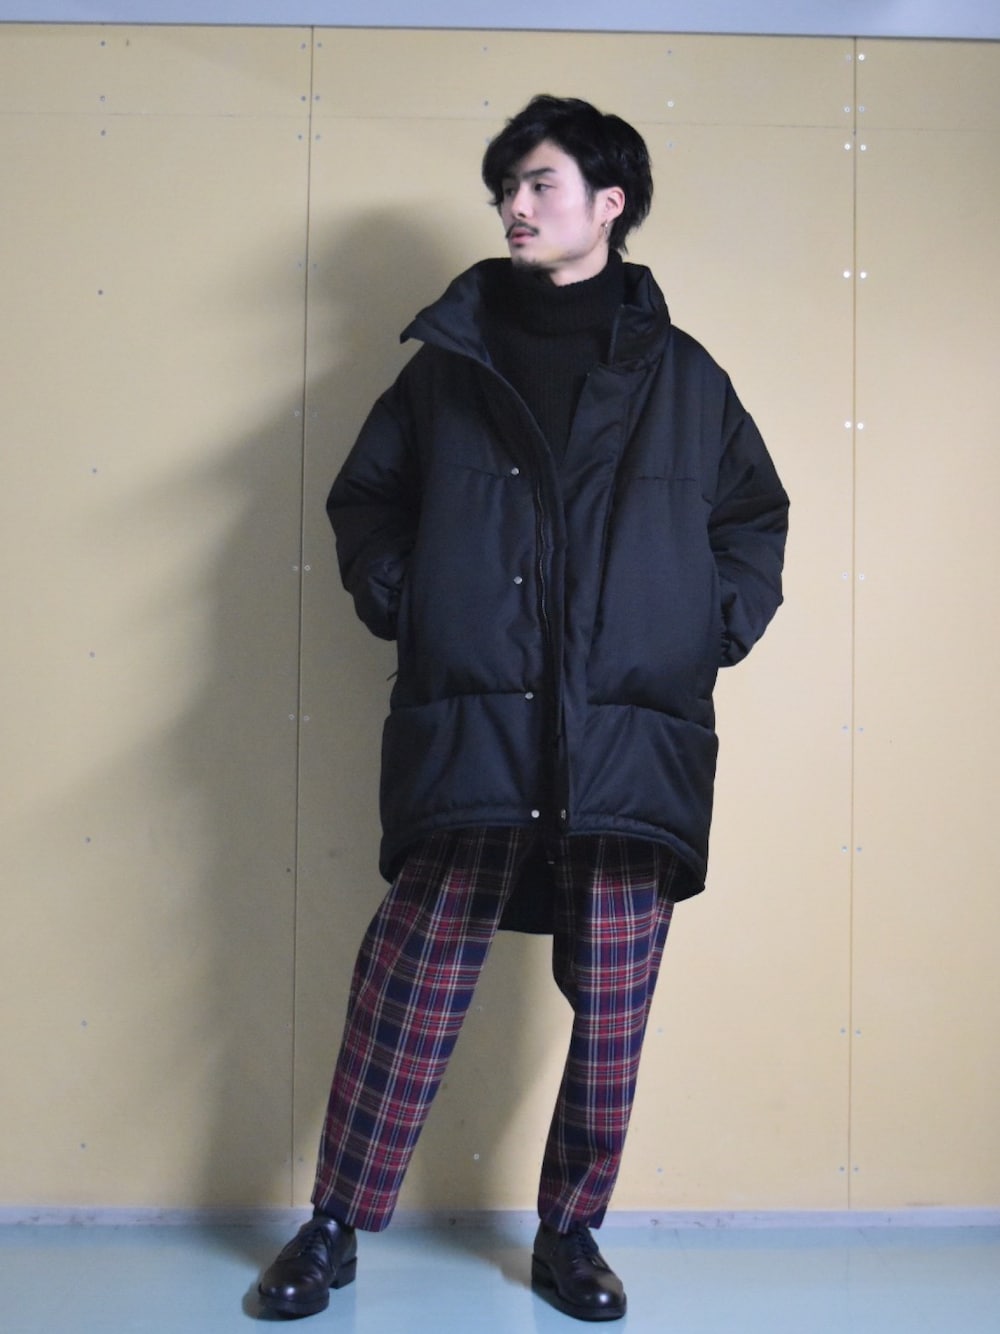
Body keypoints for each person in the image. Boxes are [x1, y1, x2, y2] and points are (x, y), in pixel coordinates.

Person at [257, 94, 788, 1322]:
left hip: (626, 733)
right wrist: (415, 602)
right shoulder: (446, 369)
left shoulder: (685, 378)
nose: (514, 203)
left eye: (539, 182)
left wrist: (695, 629)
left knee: (612, 1004)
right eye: (505, 185)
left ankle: (570, 1233)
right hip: (476, 719)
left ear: (609, 203)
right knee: (409, 978)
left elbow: (751, 521)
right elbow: (366, 503)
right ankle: (334, 1222)